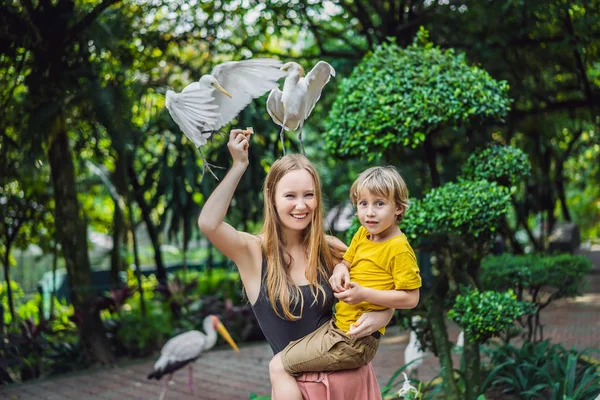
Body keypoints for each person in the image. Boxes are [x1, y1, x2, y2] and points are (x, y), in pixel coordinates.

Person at [198, 129, 393, 399]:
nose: (301, 205)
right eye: (290, 196)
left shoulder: (331, 249)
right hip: (298, 391)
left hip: (354, 382)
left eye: (309, 195)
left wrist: (382, 316)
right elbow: (209, 223)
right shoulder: (253, 253)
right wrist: (239, 165)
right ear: (272, 197)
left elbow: (383, 294)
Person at [269, 166, 422, 399]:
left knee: (279, 365)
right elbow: (347, 260)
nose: (369, 213)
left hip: (355, 341)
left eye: (379, 204)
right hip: (338, 328)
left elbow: (411, 298)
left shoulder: (398, 249)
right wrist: (340, 269)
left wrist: (363, 295)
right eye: (363, 204)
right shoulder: (363, 234)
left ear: (398, 208)